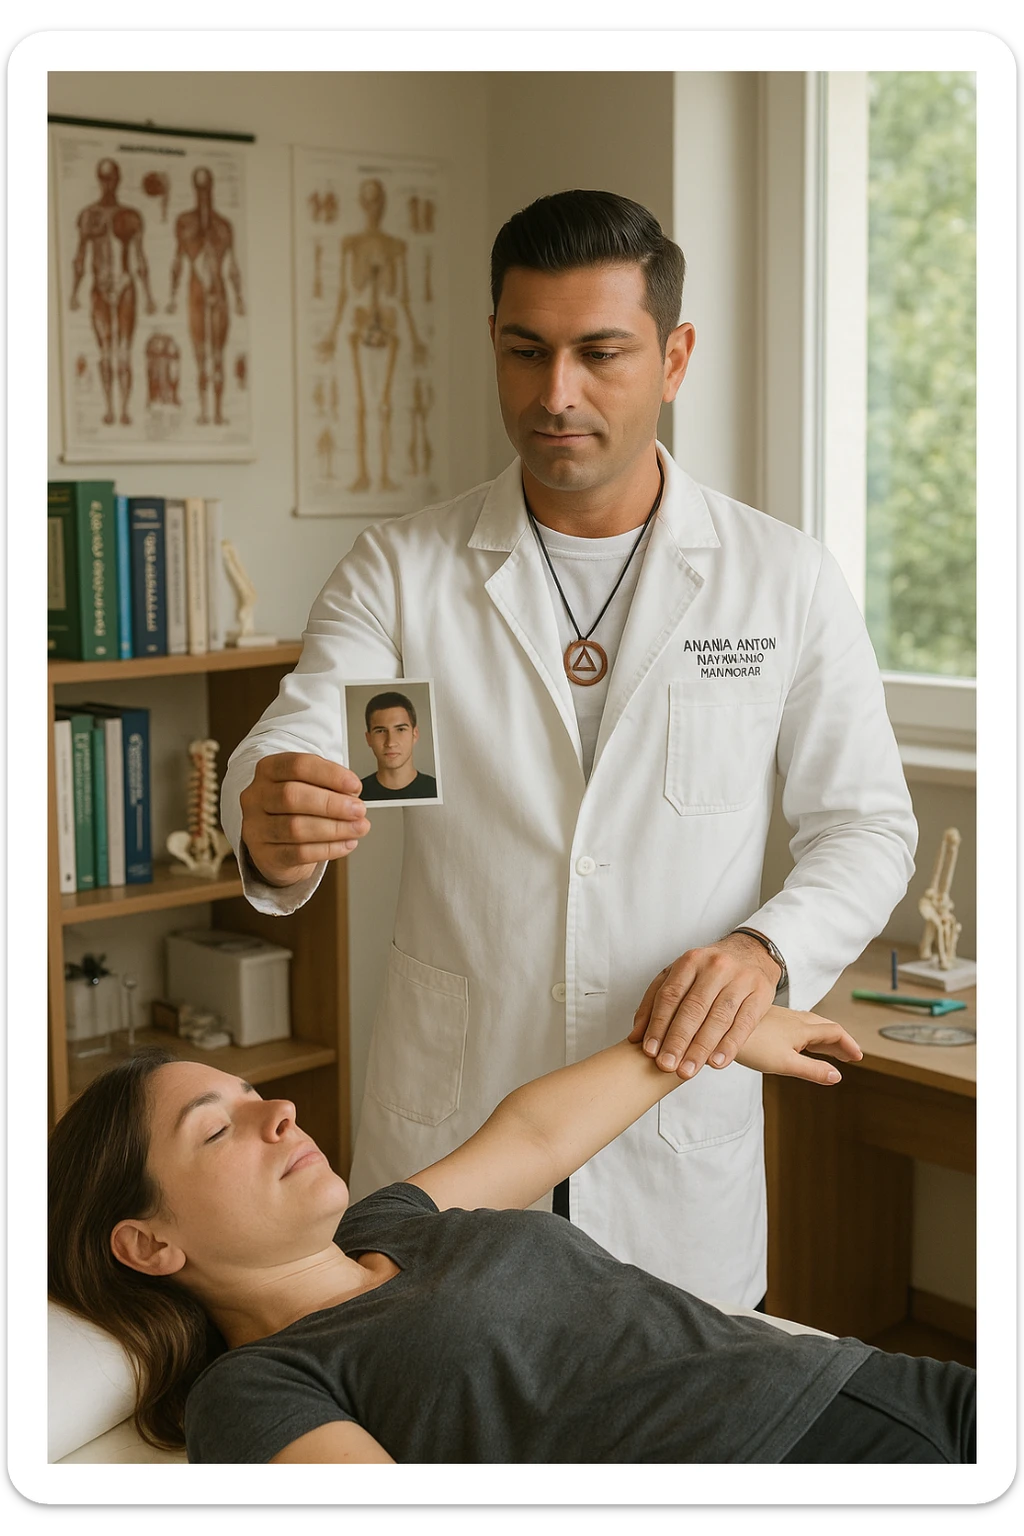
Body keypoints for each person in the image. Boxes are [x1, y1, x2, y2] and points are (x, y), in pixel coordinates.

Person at [222, 189, 918, 1309]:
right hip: (454, 1125)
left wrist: (761, 954)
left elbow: (866, 827)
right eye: (525, 351)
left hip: (670, 1126)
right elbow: (304, 727)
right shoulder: (402, 571)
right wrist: (273, 820)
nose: (556, 395)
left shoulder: (780, 577)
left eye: (600, 353)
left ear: (673, 356)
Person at [47, 1007, 976, 1464]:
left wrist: (722, 1037)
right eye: (217, 1129)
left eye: (256, 1096)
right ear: (149, 1246)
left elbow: (535, 1135)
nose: (281, 1113)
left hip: (879, 1383)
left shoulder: (391, 1225)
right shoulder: (255, 1389)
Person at [359, 691, 438, 801]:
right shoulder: (356, 795)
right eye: (381, 731)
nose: (390, 743)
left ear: (415, 734)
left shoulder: (436, 790)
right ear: (368, 739)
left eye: (400, 729)